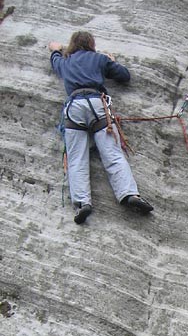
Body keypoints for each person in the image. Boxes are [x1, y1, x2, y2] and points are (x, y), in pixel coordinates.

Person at [49, 30, 154, 225]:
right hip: (98, 106)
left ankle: (83, 203)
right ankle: (129, 194)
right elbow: (124, 76)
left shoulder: (66, 61)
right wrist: (111, 61)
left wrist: (55, 50)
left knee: (76, 158)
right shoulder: (99, 59)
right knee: (112, 153)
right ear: (91, 44)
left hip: (74, 108)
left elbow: (55, 62)